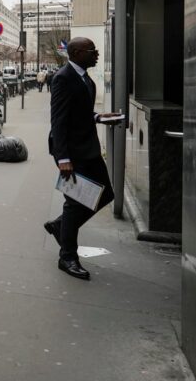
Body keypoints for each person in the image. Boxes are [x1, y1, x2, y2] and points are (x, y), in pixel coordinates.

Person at [45, 37, 121, 280]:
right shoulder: (63, 78)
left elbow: (80, 112)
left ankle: (60, 226)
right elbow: (58, 120)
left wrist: (98, 117)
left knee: (106, 194)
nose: (96, 54)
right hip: (72, 152)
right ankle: (67, 257)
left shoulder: (84, 77)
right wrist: (63, 157)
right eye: (92, 51)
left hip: (88, 149)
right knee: (74, 203)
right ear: (77, 52)